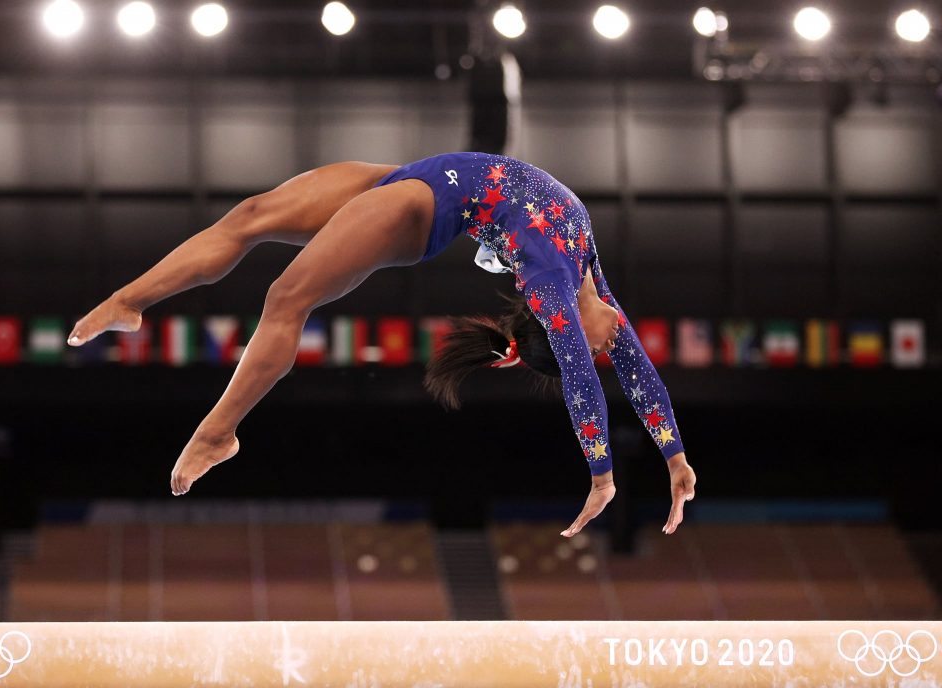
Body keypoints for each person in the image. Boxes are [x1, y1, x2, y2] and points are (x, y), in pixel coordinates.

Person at [68, 153, 697, 537]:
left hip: (419, 209)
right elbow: (640, 377)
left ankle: (217, 433)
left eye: (596, 352)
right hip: (413, 173)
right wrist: (675, 460)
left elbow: (585, 383)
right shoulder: (589, 281)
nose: (614, 347)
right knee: (250, 216)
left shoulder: (552, 288)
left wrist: (602, 476)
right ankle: (128, 302)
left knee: (286, 299)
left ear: (563, 333)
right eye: (603, 350)